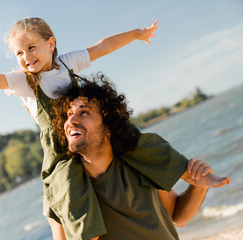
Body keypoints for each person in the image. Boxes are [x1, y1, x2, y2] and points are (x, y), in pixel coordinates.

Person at [0, 17, 215, 239]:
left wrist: (136, 34)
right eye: (19, 54)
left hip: (96, 144)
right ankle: (88, 233)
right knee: (66, 184)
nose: (26, 58)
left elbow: (102, 47)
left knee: (142, 144)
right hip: (58, 152)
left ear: (51, 43)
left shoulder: (66, 63)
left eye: (31, 48)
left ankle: (191, 173)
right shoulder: (24, 82)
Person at [50, 73, 231, 239]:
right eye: (68, 114)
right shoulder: (66, 188)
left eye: (84, 112)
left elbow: (177, 216)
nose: (71, 121)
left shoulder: (137, 162)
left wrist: (198, 187)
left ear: (109, 127)